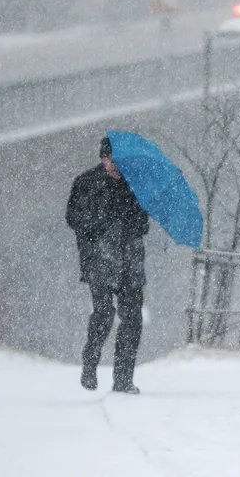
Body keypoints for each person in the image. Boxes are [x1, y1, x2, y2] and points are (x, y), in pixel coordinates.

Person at [66, 136, 149, 394]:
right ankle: (90, 360)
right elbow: (73, 218)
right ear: (102, 158)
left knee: (132, 318)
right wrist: (101, 224)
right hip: (99, 259)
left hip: (130, 259)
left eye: (119, 160)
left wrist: (132, 215)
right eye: (110, 159)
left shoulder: (137, 185)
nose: (115, 165)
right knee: (104, 314)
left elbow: (143, 225)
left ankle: (123, 379)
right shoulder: (86, 183)